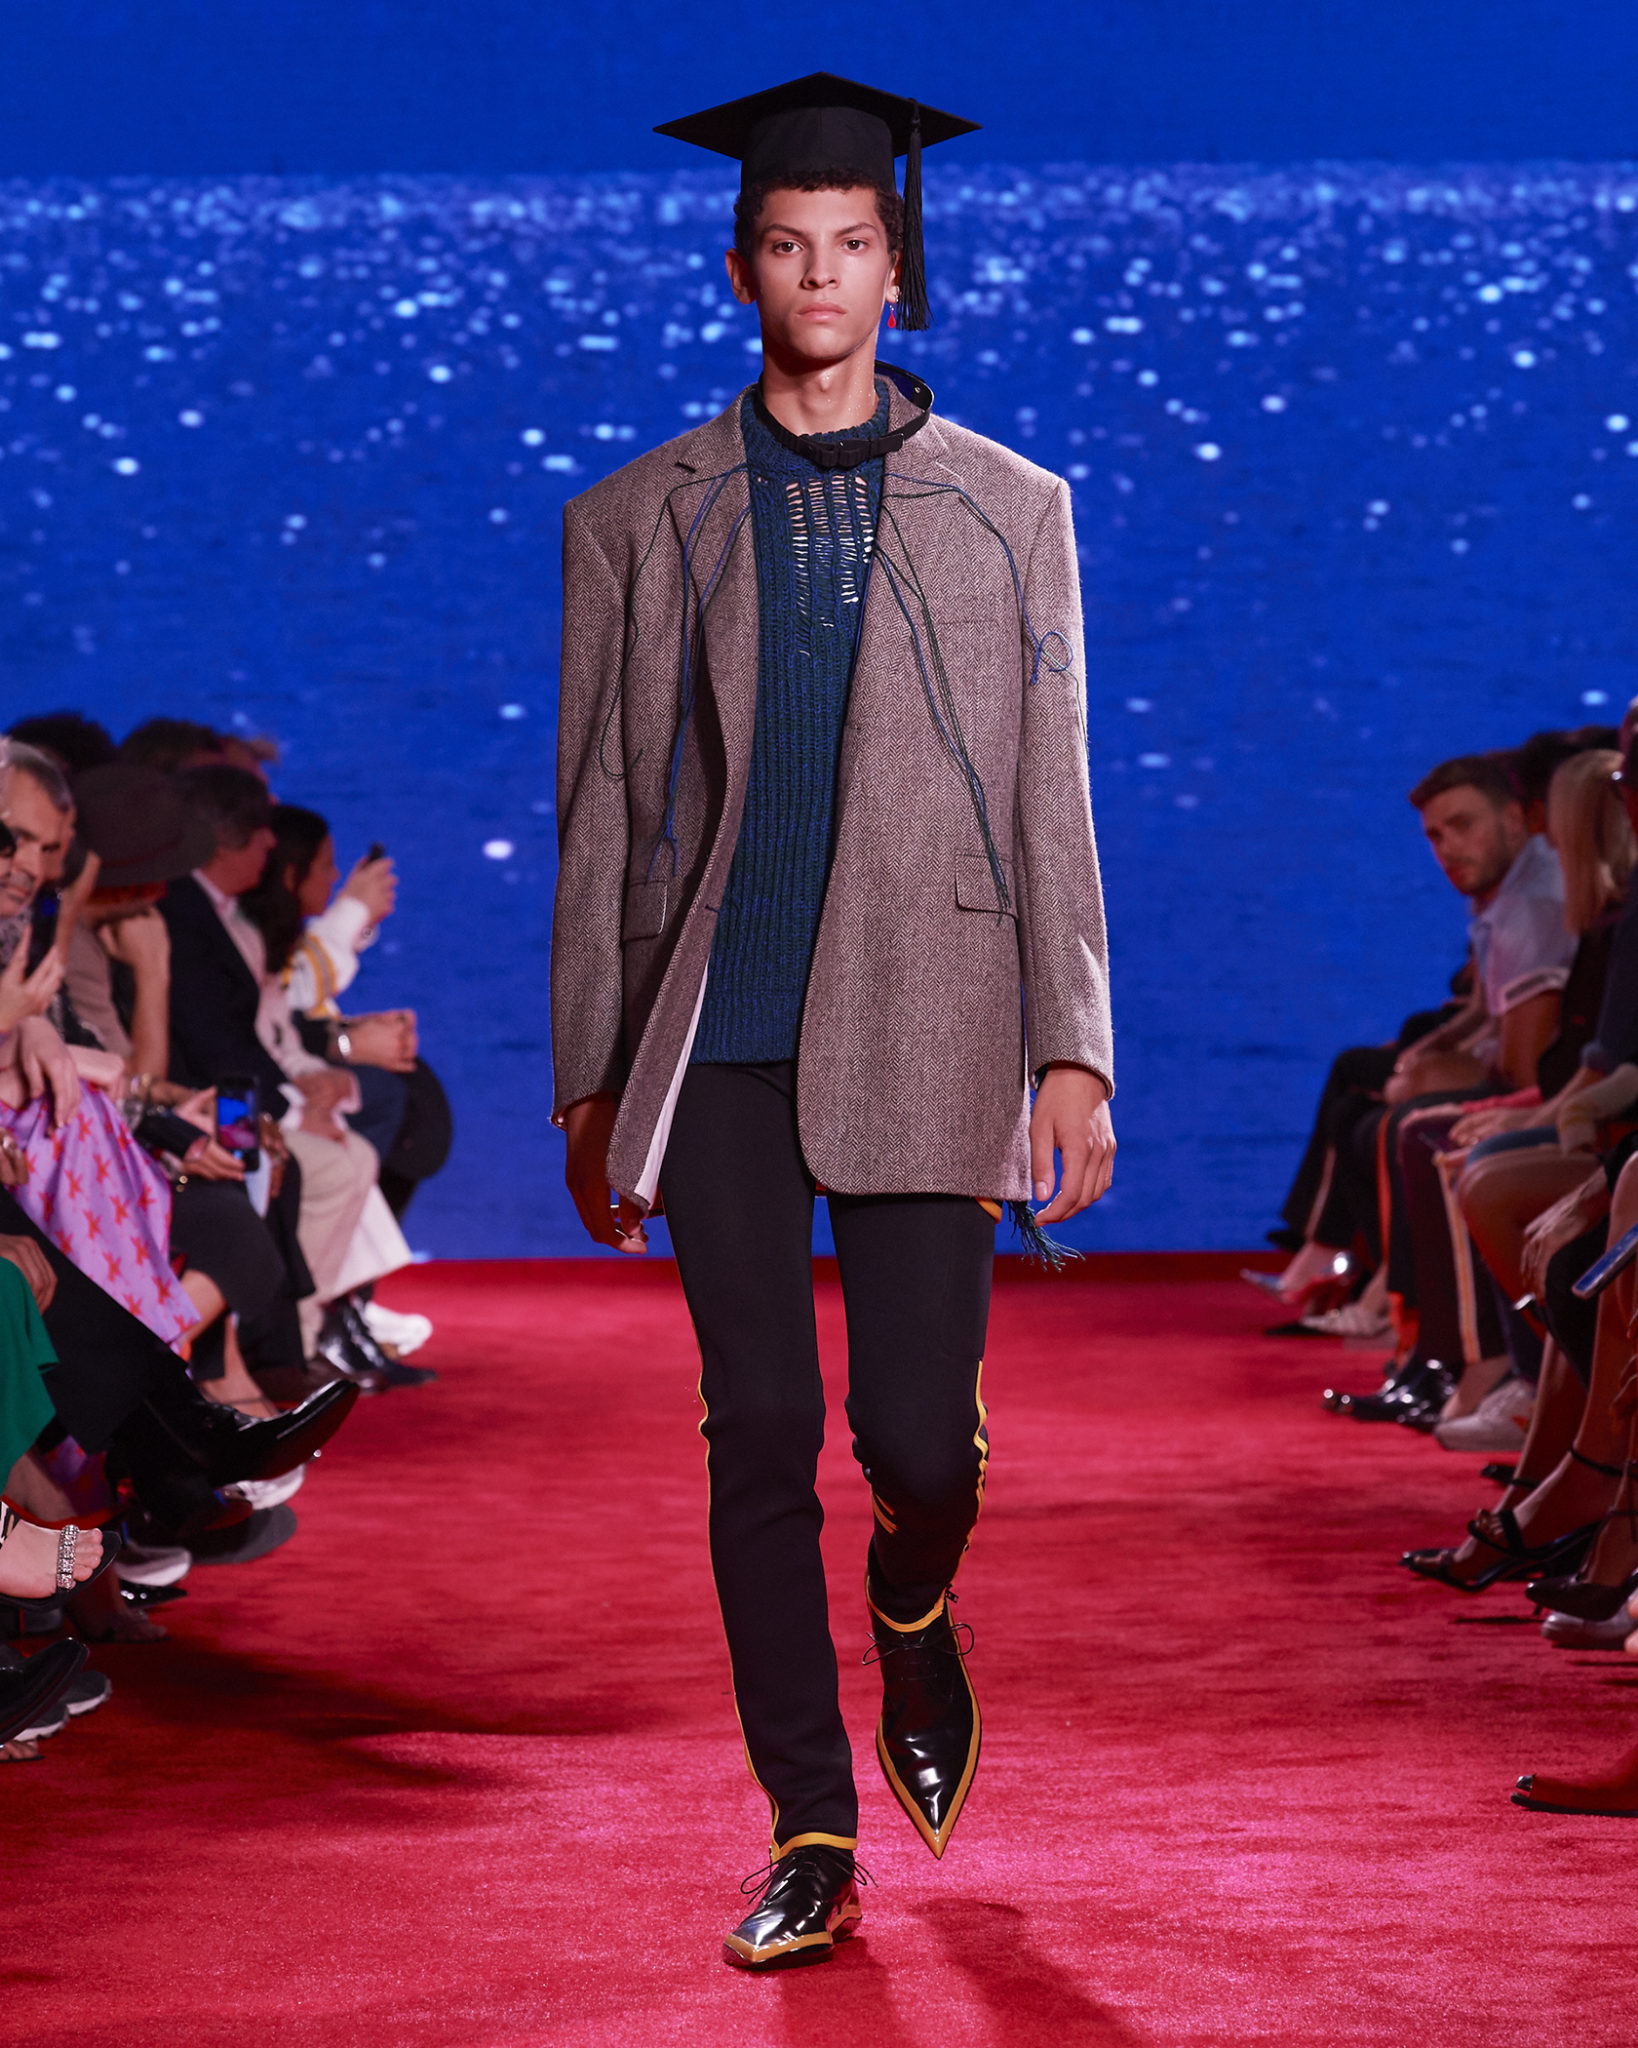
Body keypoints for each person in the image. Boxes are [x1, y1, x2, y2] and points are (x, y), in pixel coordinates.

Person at [552, 73, 1114, 1970]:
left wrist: (1073, 1046)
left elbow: (1050, 790)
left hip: (935, 1003)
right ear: (741, 270)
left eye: (851, 245)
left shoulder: (1013, 509)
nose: (819, 276)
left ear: (896, 267)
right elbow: (600, 808)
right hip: (712, 1026)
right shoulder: (634, 516)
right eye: (787, 246)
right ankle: (807, 1824)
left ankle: (913, 1599)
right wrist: (590, 1074)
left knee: (917, 1444)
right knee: (759, 1430)